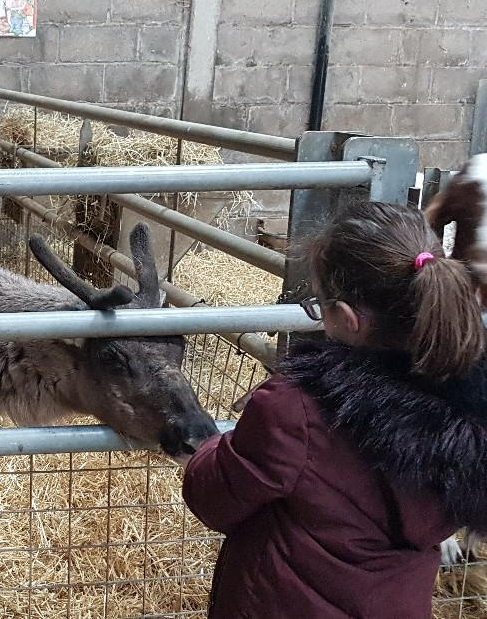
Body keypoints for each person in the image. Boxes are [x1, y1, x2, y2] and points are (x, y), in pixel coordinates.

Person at [183, 201, 487, 618]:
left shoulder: (298, 410)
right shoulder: (469, 418)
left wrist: (214, 447)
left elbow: (212, 498)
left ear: (347, 318)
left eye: (317, 304)